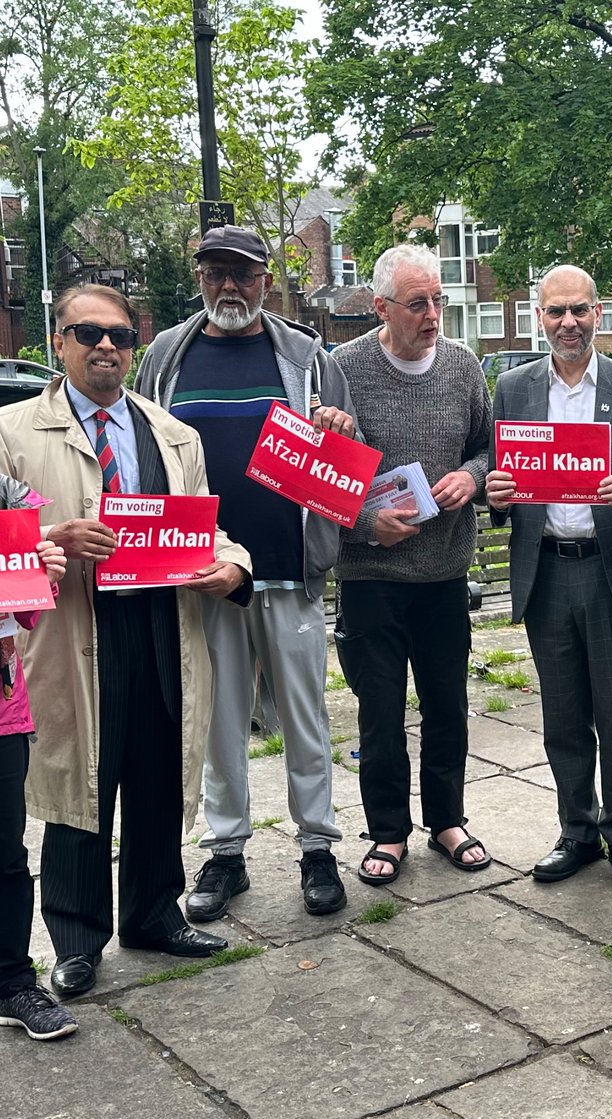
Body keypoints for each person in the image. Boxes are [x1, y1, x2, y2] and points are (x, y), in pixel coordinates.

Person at [0, 285, 254, 1000]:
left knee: (157, 773)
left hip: (162, 626)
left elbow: (203, 529)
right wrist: (50, 537)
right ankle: (78, 940)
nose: (106, 346)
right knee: (81, 782)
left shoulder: (172, 434)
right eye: (88, 333)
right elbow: (3, 541)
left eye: (121, 335)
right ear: (59, 342)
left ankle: (153, 915)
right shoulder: (13, 433)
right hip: (74, 632)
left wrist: (233, 565)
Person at [137, 225, 355, 922]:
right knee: (218, 720)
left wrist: (339, 427)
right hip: (203, 571)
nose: (229, 286)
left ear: (266, 279)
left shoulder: (307, 356)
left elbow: (346, 452)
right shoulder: (167, 356)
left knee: (305, 718)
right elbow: (144, 448)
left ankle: (317, 848)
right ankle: (226, 852)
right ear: (199, 276)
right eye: (216, 272)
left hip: (289, 568)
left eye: (243, 273)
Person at [486, 265, 612, 887]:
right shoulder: (513, 388)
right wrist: (496, 494)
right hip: (546, 571)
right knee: (562, 717)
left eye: (580, 310)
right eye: (556, 311)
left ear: (598, 313)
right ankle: (577, 831)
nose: (569, 323)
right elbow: (500, 476)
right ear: (539, 317)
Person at [333, 245, 492, 882]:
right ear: (381, 307)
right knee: (379, 712)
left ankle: (447, 820)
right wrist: (364, 523)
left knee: (447, 704)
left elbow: (489, 447)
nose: (432, 316)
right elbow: (317, 476)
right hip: (370, 577)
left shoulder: (462, 366)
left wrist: (471, 478)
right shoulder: (343, 369)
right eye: (417, 303)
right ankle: (388, 832)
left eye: (438, 302)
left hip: (445, 573)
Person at [0, 504, 73, 1038]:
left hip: (3, 715)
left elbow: (24, 615)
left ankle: (12, 982)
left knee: (6, 855)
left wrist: (40, 573)